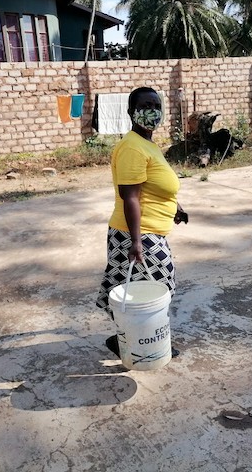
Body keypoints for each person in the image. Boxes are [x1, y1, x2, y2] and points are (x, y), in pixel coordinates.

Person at [96, 87, 187, 357]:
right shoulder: (132, 147)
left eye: (156, 105)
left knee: (139, 290)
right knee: (157, 287)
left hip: (149, 231)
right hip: (136, 234)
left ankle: (131, 338)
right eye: (146, 105)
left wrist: (175, 207)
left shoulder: (147, 144)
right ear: (131, 112)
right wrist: (136, 242)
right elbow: (130, 197)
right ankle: (129, 338)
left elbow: (154, 185)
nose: (153, 111)